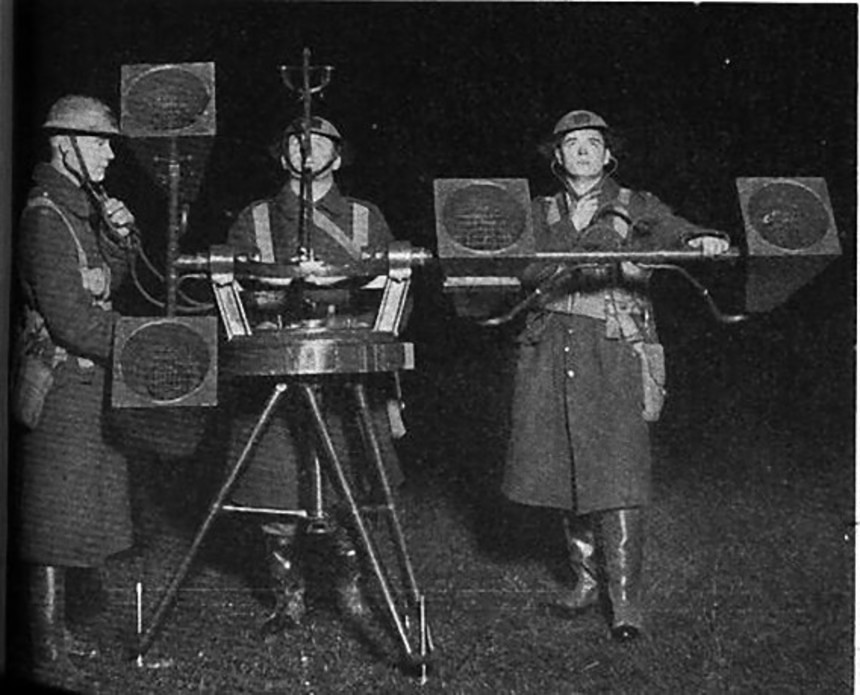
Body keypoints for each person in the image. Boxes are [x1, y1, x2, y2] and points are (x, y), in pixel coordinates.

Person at [501, 110, 730, 642]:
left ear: (608, 156)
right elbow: (514, 263)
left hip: (613, 346)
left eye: (593, 143)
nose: (583, 150)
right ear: (557, 157)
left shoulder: (636, 204)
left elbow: (673, 228)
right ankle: (584, 581)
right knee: (565, 463)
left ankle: (625, 600)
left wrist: (700, 239)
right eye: (572, 143)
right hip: (548, 346)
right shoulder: (538, 211)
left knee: (619, 468)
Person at [225, 115, 405, 635]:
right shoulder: (256, 219)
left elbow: (396, 292)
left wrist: (367, 340)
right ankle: (288, 600)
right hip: (276, 369)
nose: (307, 148)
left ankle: (353, 593)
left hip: (346, 372)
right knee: (276, 492)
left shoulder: (366, 218)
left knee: (354, 488)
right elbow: (235, 293)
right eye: (297, 141)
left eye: (320, 141)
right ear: (282, 155)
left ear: (339, 156)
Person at [11, 95, 139, 686]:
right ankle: (45, 650)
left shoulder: (79, 211)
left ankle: (62, 634)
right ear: (64, 146)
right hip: (61, 387)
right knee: (51, 521)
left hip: (87, 386)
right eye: (98, 141)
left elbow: (106, 282)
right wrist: (141, 341)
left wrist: (117, 239)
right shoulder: (45, 218)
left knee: (80, 510)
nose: (109, 153)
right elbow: (71, 321)